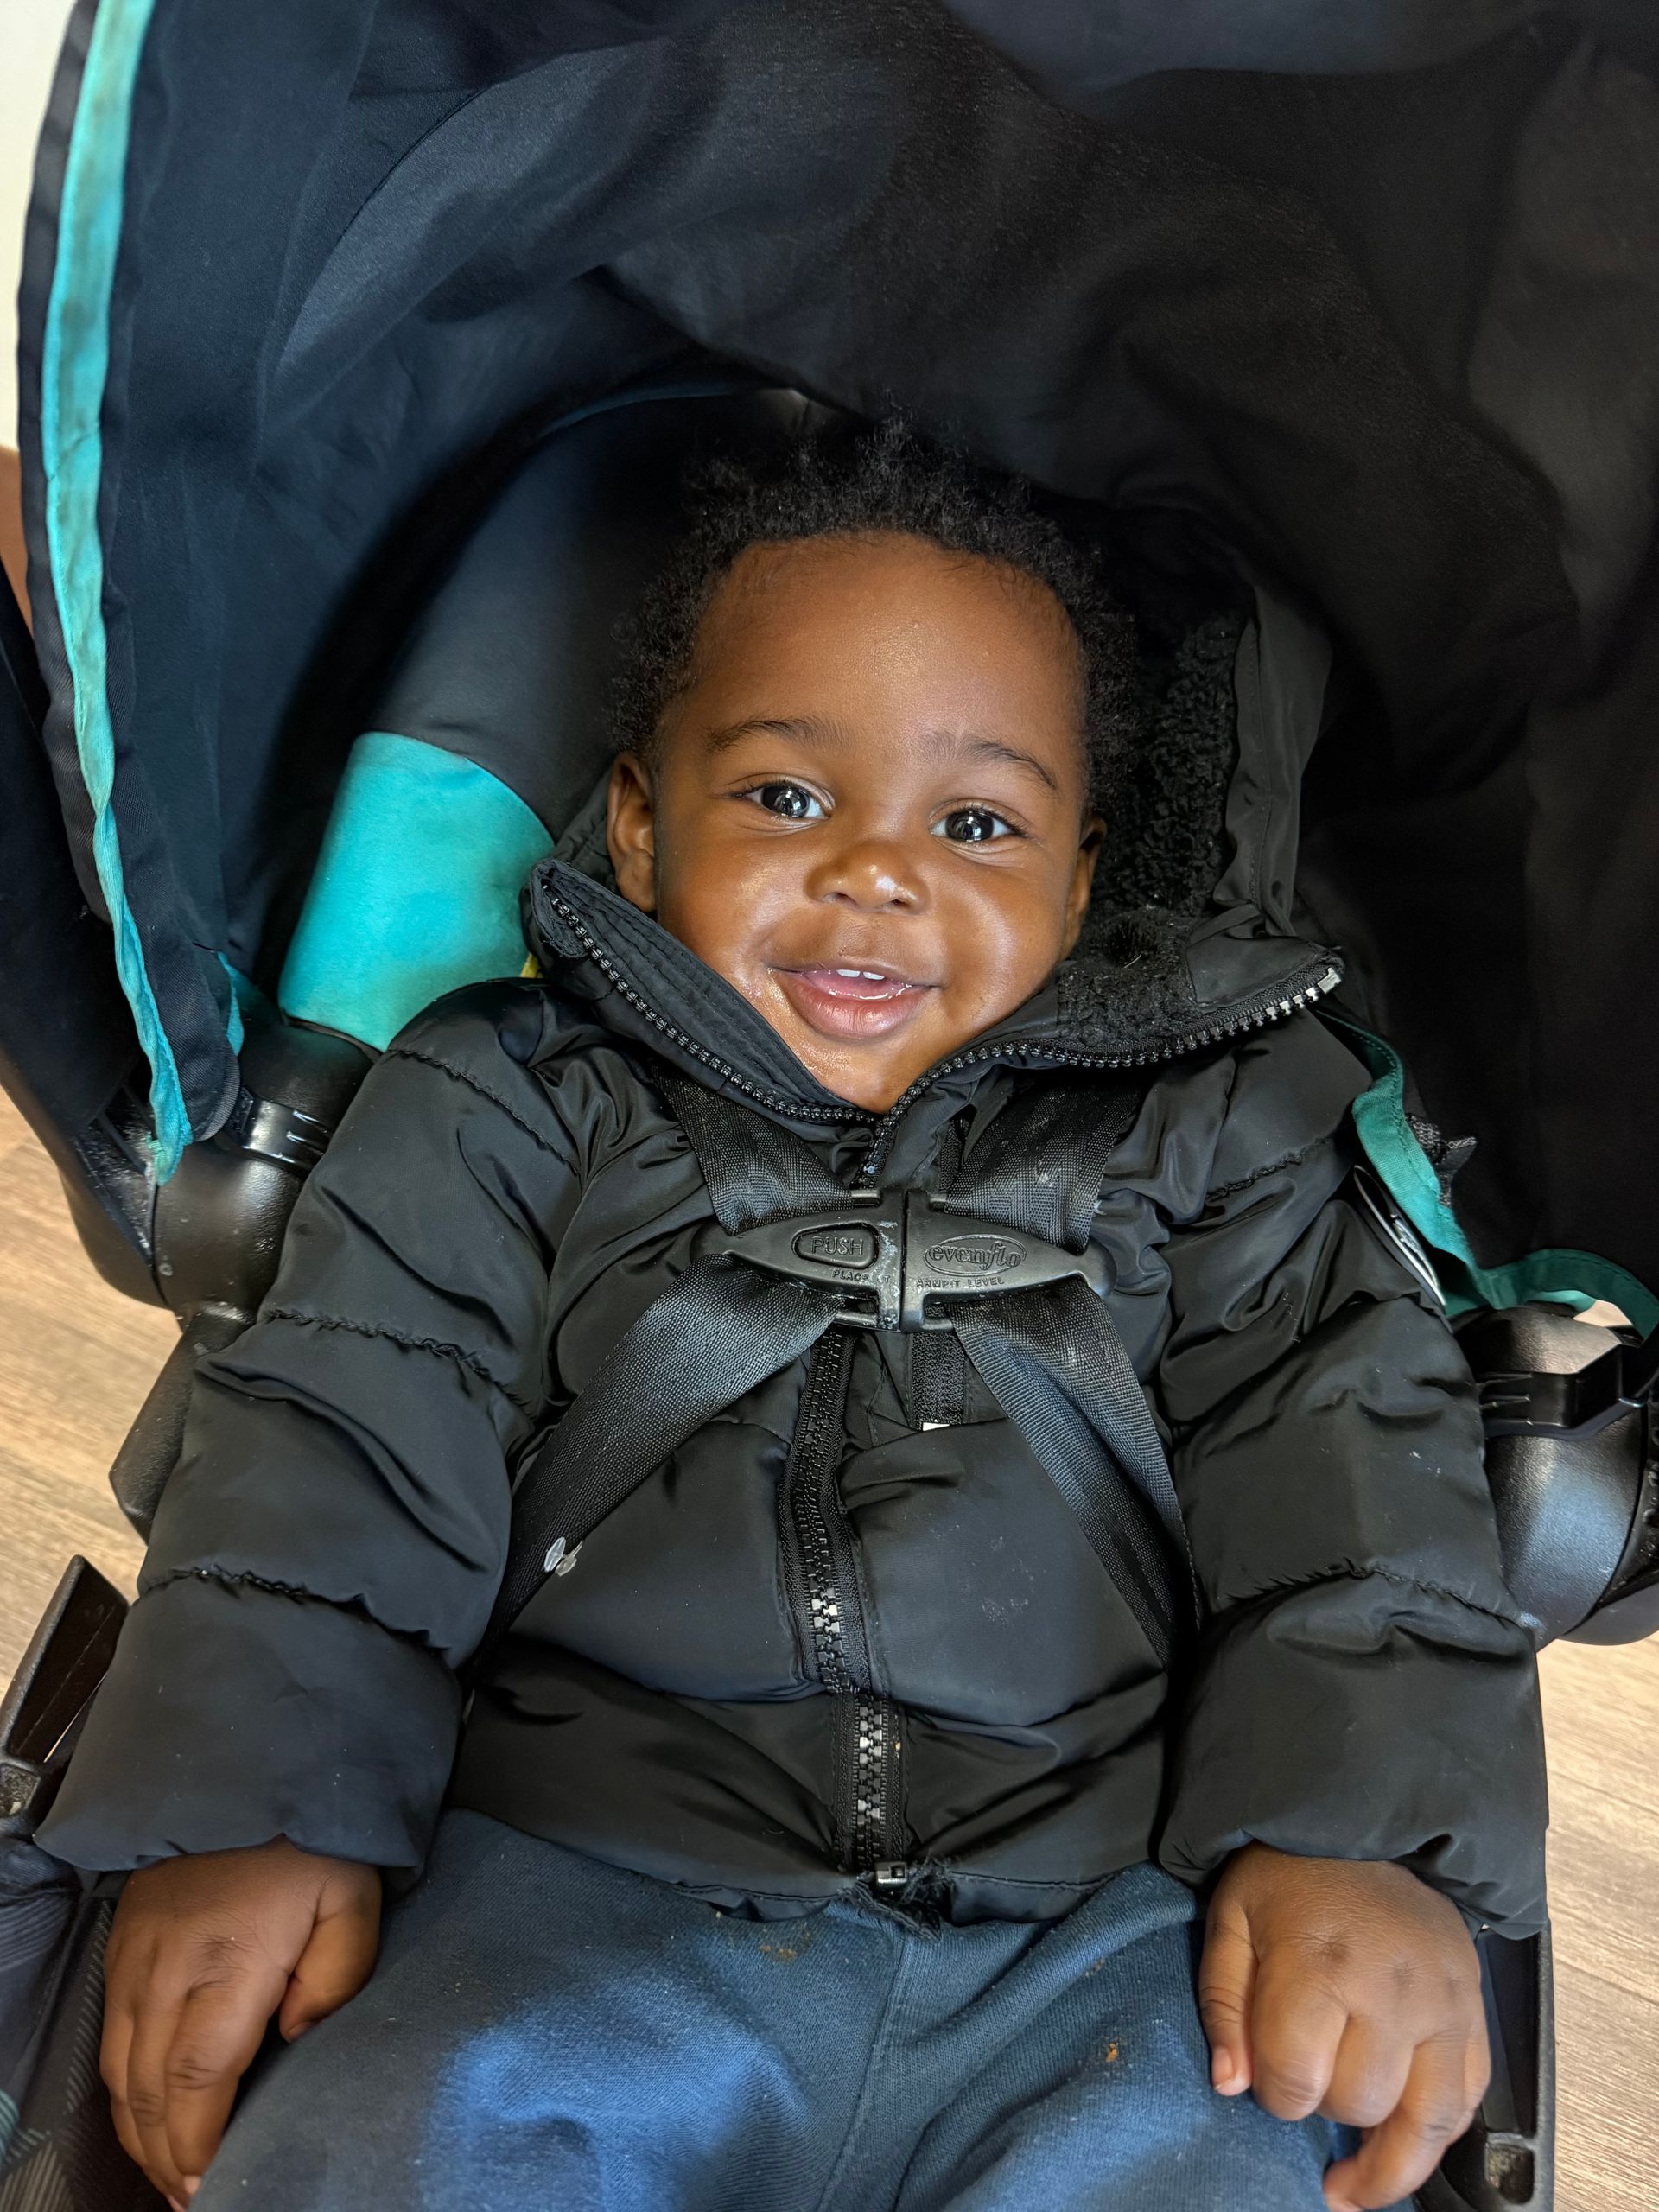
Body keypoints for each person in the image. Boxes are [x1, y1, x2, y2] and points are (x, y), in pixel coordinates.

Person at [41, 424, 1545, 2212]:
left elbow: (1345, 1462)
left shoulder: (1213, 1127)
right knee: (376, 2145)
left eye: (975, 821)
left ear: (1078, 892)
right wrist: (265, 1799)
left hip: (1107, 1953)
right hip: (559, 1910)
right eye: (783, 797)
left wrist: (1351, 1833)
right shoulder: (512, 1100)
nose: (875, 871)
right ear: (636, 822)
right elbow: (342, 1437)